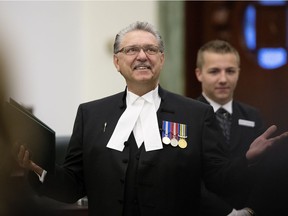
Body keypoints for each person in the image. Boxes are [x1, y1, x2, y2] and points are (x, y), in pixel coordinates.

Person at [18, 21, 288, 216]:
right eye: (131, 50)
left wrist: (246, 160)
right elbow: (73, 186)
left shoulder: (195, 114)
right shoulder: (91, 114)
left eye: (151, 49)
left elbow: (218, 180)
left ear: (162, 58)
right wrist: (37, 168)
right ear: (116, 61)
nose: (142, 56)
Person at [195, 40, 265, 215]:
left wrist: (250, 209)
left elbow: (265, 170)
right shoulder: (186, 116)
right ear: (199, 74)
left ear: (238, 73)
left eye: (230, 71)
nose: (223, 79)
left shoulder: (253, 116)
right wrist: (228, 212)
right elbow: (186, 177)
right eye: (214, 71)